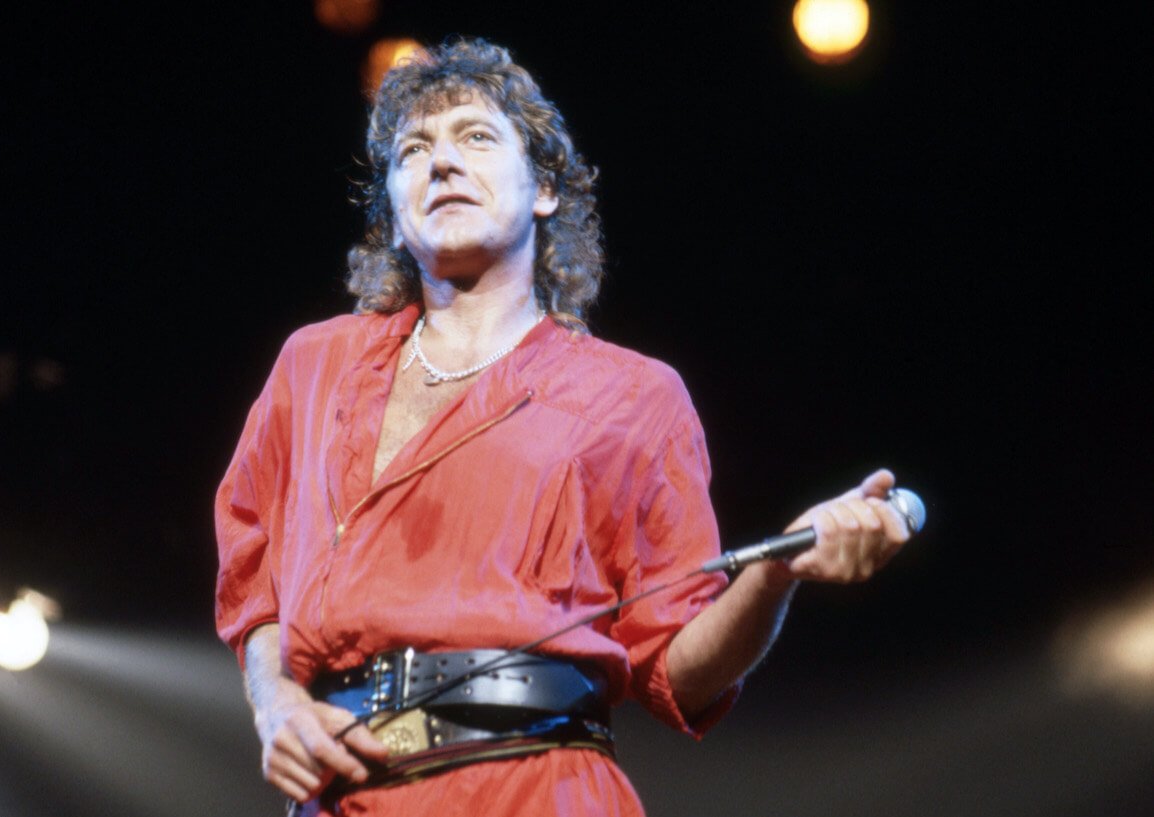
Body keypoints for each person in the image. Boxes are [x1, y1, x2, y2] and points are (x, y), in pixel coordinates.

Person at [215, 37, 910, 817]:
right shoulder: (315, 366)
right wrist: (276, 704)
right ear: (393, 208)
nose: (441, 162)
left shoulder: (634, 394)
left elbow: (680, 671)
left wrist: (776, 573)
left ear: (545, 187)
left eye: (475, 137)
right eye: (413, 150)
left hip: (535, 790)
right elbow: (256, 587)